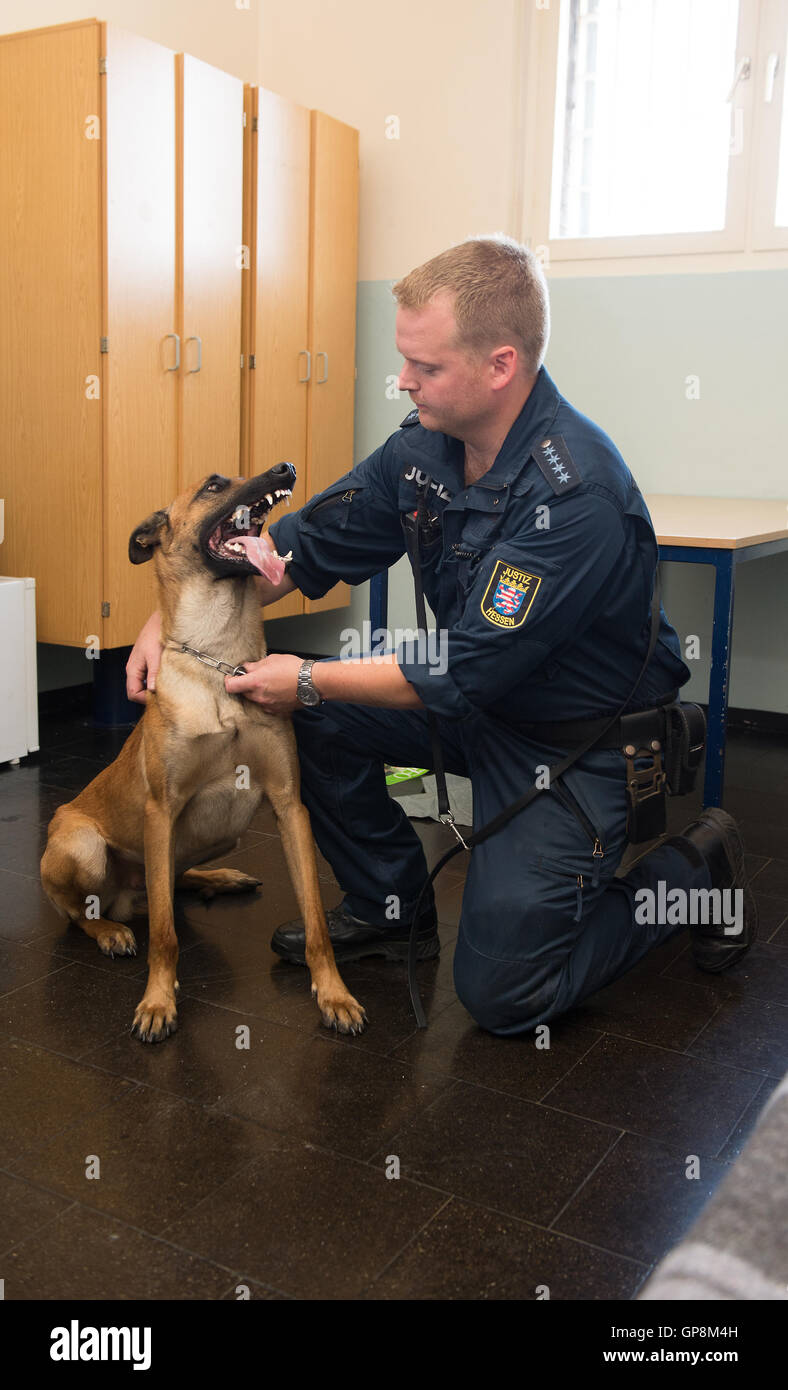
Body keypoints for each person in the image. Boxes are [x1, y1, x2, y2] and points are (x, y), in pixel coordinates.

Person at [127, 235, 756, 1037]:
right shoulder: (422, 450)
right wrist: (163, 619)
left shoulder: (576, 495)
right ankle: (395, 908)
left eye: (424, 367)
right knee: (297, 710)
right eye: (404, 361)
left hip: (575, 743)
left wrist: (312, 678)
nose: (403, 380)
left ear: (499, 365)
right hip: (477, 712)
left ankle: (699, 870)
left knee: (507, 996)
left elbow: (459, 668)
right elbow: (297, 546)